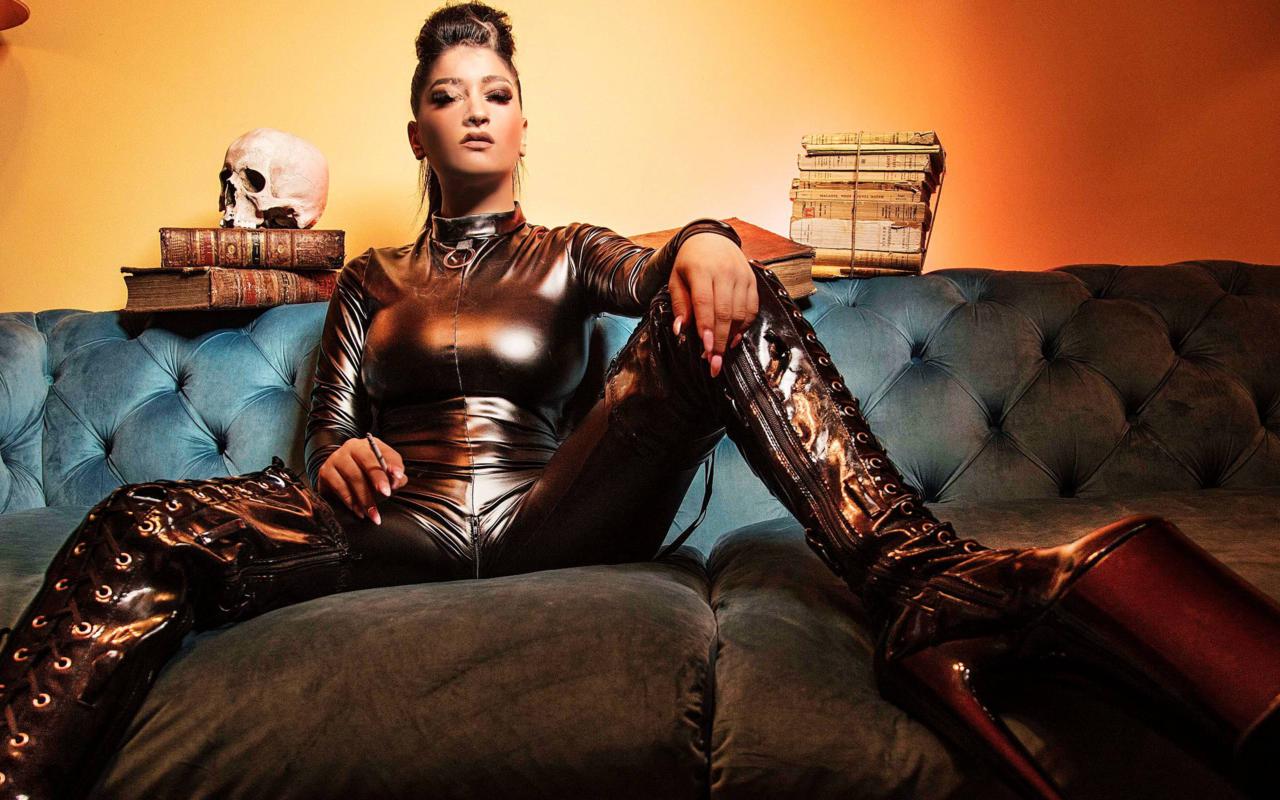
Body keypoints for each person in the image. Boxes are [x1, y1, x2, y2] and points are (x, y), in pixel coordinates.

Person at [3, 3, 1279, 799]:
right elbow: (326, 430)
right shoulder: (367, 279)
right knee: (139, 518)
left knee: (715, 297)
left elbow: (658, 270)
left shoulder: (569, 247)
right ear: (415, 134)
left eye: (495, 93)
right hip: (399, 519)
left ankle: (919, 576)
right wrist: (337, 456)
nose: (472, 112)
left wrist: (705, 236)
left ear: (523, 123)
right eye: (445, 96)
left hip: (553, 509)